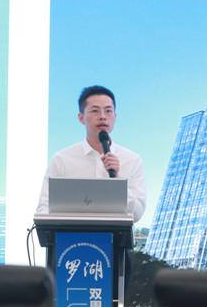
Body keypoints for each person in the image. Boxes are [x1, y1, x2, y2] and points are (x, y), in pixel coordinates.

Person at [36, 85, 146, 222]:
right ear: (81, 118)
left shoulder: (132, 160)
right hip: (70, 234)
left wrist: (117, 180)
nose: (103, 117)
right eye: (95, 111)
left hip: (115, 235)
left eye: (108, 111)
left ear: (115, 117)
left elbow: (137, 213)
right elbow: (43, 208)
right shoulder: (62, 159)